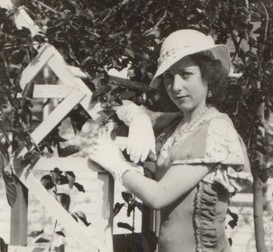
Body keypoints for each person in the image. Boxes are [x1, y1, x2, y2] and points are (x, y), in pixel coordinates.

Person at [90, 29, 253, 252]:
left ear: (208, 76)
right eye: (169, 77)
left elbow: (159, 196)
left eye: (186, 74)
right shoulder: (175, 124)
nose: (176, 86)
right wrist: (138, 117)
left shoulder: (216, 128)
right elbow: (118, 106)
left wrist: (118, 166)